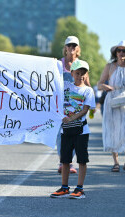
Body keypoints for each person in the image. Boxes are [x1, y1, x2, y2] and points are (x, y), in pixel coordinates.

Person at [51, 60, 95, 199]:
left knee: (82, 160)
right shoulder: (65, 87)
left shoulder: (88, 90)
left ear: (86, 74)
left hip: (81, 131)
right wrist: (51, 65)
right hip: (66, 130)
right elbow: (52, 82)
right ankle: (64, 188)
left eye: (83, 73)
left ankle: (79, 189)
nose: (80, 76)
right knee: (65, 160)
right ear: (71, 73)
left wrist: (71, 118)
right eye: (77, 73)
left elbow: (85, 110)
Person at [57, 36, 91, 174]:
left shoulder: (81, 64)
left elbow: (86, 82)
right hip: (61, 103)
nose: (71, 48)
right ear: (65, 47)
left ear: (78, 48)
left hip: (76, 105)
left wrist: (91, 100)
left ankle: (69, 162)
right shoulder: (59, 64)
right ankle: (63, 161)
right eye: (69, 45)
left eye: (74, 45)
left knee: (75, 133)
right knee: (61, 133)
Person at [98, 40, 125, 172]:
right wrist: (105, 86)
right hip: (112, 100)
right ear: (115, 52)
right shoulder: (109, 67)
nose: (121, 53)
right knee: (113, 131)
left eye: (123, 50)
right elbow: (99, 84)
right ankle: (116, 162)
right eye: (118, 50)